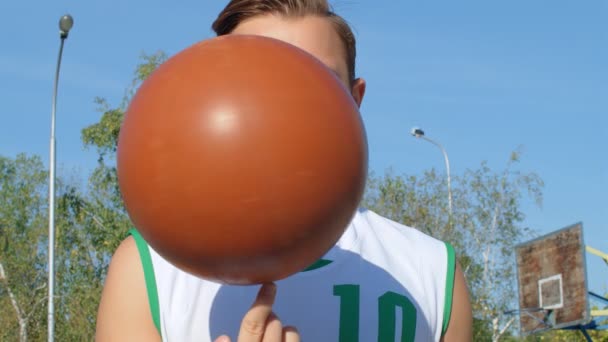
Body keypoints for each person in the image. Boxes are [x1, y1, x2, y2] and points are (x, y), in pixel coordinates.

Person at [95, 1, 473, 341]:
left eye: (315, 78)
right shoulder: (146, 274)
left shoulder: (431, 274)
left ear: (354, 99)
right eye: (254, 76)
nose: (279, 99)